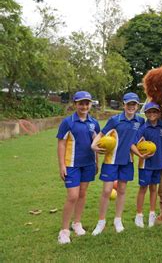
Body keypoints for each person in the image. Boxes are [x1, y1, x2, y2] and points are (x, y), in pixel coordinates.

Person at [91, 92, 145, 235]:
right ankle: (101, 222)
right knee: (107, 191)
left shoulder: (140, 121)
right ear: (124, 105)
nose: (131, 107)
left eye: (134, 104)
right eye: (129, 104)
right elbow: (101, 134)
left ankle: (118, 220)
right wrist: (93, 145)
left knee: (121, 190)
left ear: (138, 106)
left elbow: (142, 137)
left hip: (127, 161)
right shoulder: (115, 120)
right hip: (111, 160)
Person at [56, 91, 100, 244]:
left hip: (88, 164)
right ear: (75, 104)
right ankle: (64, 230)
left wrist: (97, 162)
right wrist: (61, 165)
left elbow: (97, 143)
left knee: (82, 194)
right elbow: (61, 143)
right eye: (81, 103)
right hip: (71, 165)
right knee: (72, 196)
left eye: (87, 103)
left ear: (90, 105)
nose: (84, 106)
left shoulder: (94, 123)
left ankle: (77, 223)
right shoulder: (68, 122)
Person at [130, 102, 162, 228]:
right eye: (149, 112)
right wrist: (140, 155)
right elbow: (132, 144)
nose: (152, 114)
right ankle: (139, 215)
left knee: (154, 189)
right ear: (145, 114)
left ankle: (152, 213)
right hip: (145, 164)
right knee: (143, 189)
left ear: (158, 113)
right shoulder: (143, 128)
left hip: (159, 163)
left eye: (154, 112)